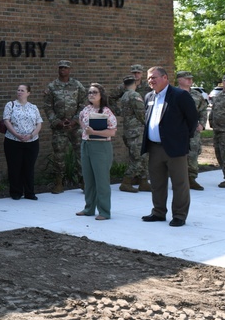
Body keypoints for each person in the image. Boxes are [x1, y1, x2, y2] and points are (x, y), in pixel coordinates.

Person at [141, 66, 199, 226]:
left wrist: (182, 138)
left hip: (175, 148)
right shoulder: (148, 97)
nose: (151, 81)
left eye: (154, 77)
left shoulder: (179, 95)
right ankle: (158, 212)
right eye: (149, 78)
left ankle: (179, 215)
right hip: (154, 147)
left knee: (179, 183)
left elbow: (192, 119)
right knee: (157, 182)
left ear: (165, 78)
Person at [43, 60, 87, 194]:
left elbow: (84, 104)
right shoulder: (52, 87)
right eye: (61, 68)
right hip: (59, 128)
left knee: (81, 154)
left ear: (69, 70)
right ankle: (58, 183)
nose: (63, 70)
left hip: (75, 127)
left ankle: (84, 182)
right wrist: (56, 121)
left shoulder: (77, 85)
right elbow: (48, 107)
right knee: (59, 156)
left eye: (65, 68)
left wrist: (75, 120)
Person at [74, 83, 117, 220]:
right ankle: (89, 208)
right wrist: (86, 131)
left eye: (94, 92)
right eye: (90, 92)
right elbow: (81, 120)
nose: (91, 95)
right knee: (89, 179)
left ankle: (104, 211)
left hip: (101, 147)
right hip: (86, 145)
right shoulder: (86, 109)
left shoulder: (106, 112)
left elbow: (112, 132)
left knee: (101, 180)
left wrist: (94, 132)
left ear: (101, 95)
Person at [1, 83, 42, 200]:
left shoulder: (33, 107)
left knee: (29, 167)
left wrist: (31, 135)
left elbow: (39, 123)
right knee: (15, 166)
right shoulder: (10, 105)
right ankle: (16, 192)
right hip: (13, 141)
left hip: (32, 141)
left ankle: (30, 192)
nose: (19, 92)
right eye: (18, 90)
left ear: (28, 93)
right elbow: (6, 120)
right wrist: (17, 135)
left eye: (22, 90)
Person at [175, 71, 209, 191]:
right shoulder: (173, 93)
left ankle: (192, 179)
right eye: (187, 78)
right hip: (177, 131)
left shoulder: (197, 94)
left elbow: (203, 110)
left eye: (191, 79)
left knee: (193, 154)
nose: (190, 81)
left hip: (193, 131)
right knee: (178, 156)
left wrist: (202, 124)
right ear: (179, 80)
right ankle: (179, 181)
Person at [116, 76, 147, 193]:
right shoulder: (134, 95)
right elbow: (141, 113)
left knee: (143, 156)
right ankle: (126, 182)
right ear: (135, 84)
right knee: (138, 157)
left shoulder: (124, 96)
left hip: (130, 130)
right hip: (136, 131)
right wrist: (148, 124)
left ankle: (143, 182)